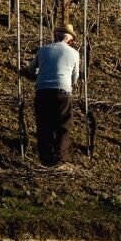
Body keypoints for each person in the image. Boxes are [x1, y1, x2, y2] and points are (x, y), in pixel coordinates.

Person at [24, 23, 80, 167]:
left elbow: (31, 70)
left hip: (42, 91)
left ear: (55, 36)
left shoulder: (43, 50)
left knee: (44, 126)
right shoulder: (74, 53)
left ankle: (45, 160)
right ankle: (60, 161)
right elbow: (74, 78)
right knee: (63, 126)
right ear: (70, 40)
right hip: (62, 92)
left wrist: (39, 74)